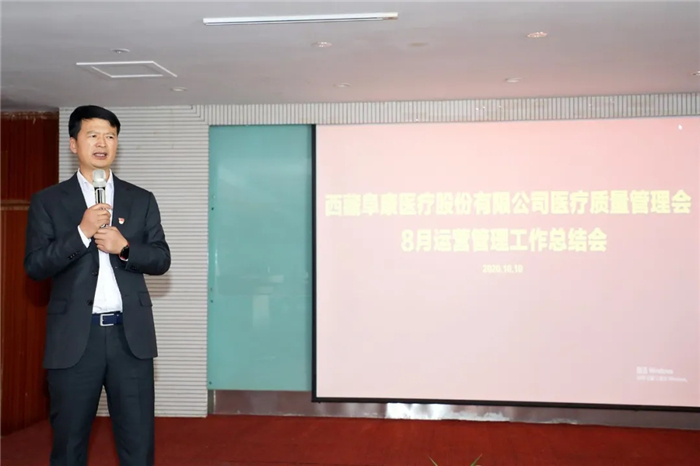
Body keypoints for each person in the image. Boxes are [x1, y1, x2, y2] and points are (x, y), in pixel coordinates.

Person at [24, 105, 171, 466]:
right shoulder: (48, 201)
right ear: (74, 144)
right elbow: (36, 266)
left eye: (110, 136)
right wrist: (81, 233)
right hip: (75, 340)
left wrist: (125, 248)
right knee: (69, 446)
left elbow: (161, 259)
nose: (102, 143)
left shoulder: (141, 199)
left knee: (138, 446)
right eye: (93, 135)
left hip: (129, 340)